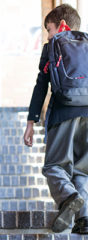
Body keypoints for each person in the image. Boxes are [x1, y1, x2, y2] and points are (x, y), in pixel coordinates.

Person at [23, 4, 88, 234]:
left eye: (49, 29)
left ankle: (69, 197)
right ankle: (84, 219)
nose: (49, 35)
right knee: (82, 170)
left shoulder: (53, 46)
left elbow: (41, 86)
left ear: (61, 25)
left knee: (54, 166)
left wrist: (31, 121)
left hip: (63, 113)